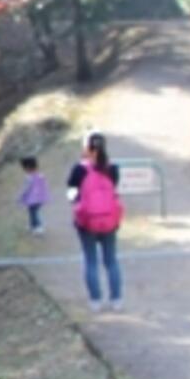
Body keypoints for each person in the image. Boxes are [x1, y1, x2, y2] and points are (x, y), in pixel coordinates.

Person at [66, 132, 124, 312]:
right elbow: (114, 188)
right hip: (109, 221)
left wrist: (76, 202)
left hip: (87, 221)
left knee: (90, 261)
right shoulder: (113, 168)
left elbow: (71, 192)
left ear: (86, 148)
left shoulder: (79, 169)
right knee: (111, 261)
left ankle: (95, 301)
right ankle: (116, 299)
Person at [18, 155, 50, 236]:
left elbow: (26, 188)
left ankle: (39, 227)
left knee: (34, 213)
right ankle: (32, 225)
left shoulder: (29, 177)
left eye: (24, 168)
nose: (24, 170)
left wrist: (21, 196)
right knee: (32, 212)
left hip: (33, 199)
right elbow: (44, 186)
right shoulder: (41, 175)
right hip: (40, 198)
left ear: (28, 167)